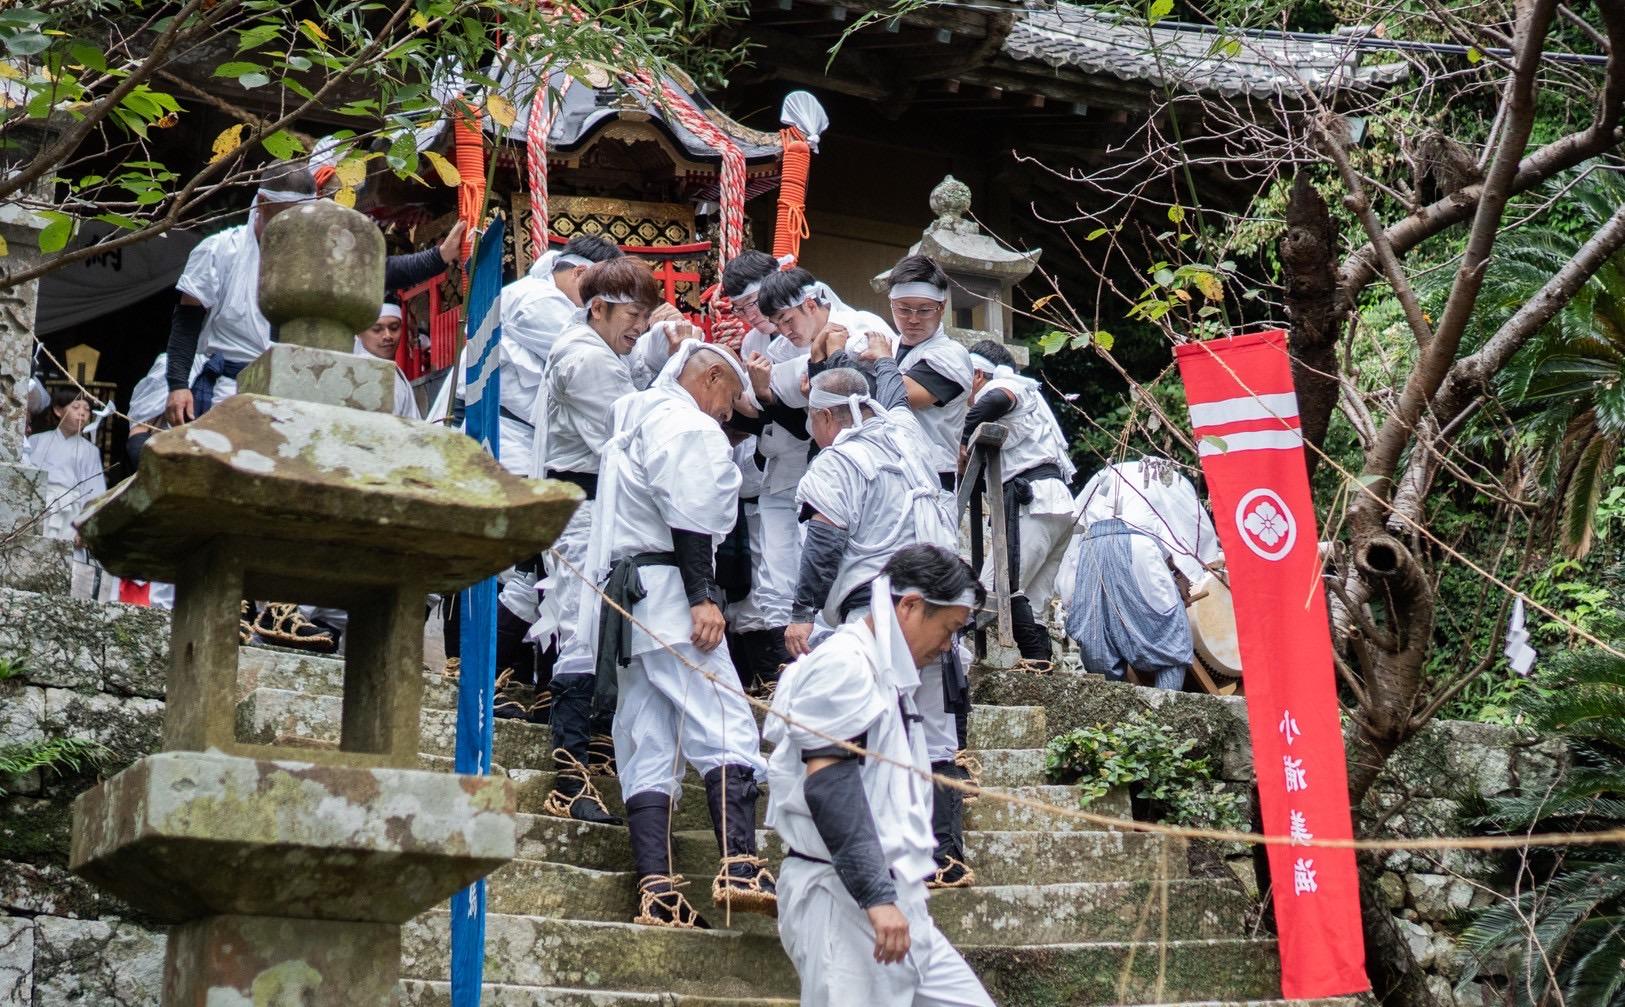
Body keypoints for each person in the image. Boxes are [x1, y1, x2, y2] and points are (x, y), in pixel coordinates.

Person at [581, 339, 774, 927]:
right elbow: (689, 515)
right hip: (668, 595)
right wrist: (703, 596)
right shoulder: (682, 424)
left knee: (648, 736)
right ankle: (739, 863)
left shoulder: (638, 422)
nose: (728, 411)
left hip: (628, 602)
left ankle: (658, 890)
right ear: (711, 375)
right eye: (730, 396)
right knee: (724, 719)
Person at [766, 544, 994, 1007]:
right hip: (841, 896)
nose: (949, 645)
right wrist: (876, 897)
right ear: (909, 606)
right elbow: (830, 784)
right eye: (949, 629)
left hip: (896, 896)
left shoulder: (886, 671)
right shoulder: (844, 665)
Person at [786, 362, 974, 889]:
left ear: (825, 416)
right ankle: (947, 853)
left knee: (876, 724)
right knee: (934, 730)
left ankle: (889, 851)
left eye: (811, 420)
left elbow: (824, 541)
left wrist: (802, 613)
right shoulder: (908, 438)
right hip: (936, 602)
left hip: (879, 609)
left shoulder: (839, 460)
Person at [527, 257, 662, 825]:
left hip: (595, 509)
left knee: (597, 630)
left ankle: (592, 755)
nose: (639, 327)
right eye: (633, 315)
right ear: (599, 308)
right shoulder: (585, 360)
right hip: (579, 510)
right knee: (581, 634)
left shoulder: (599, 351)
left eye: (645, 317)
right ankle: (569, 775)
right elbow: (628, 432)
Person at [163, 165, 318, 426]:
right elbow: (186, 323)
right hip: (228, 389)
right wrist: (177, 385)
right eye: (289, 215)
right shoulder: (219, 250)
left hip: (290, 392)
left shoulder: (311, 260)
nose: (296, 225)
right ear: (263, 203)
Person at [961, 340, 1076, 667]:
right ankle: (1040, 670)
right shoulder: (1033, 399)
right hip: (1056, 504)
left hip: (1033, 501)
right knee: (1032, 600)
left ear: (978, 374)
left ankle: (1026, 661)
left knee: (999, 587)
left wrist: (962, 442)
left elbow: (998, 398)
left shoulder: (1001, 384)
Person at [1061, 457, 1217, 691]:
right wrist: (1183, 573)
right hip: (1137, 545)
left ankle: (1114, 708)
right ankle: (1166, 706)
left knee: (1098, 637)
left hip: (1089, 549)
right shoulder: (1162, 476)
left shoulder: (1104, 475)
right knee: (1171, 635)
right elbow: (1188, 531)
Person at [490, 234, 624, 478]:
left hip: (516, 437)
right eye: (601, 296)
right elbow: (590, 357)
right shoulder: (537, 300)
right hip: (502, 436)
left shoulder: (548, 296)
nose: (600, 308)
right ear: (580, 273)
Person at [882, 255, 974, 492]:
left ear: (941, 307)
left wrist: (877, 361)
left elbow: (899, 395)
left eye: (924, 310)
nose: (912, 319)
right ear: (891, 303)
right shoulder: (888, 346)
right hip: (885, 469)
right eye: (903, 309)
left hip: (930, 475)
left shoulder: (950, 355)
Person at [26, 389, 107, 542]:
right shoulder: (35, 441)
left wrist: (85, 527)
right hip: (37, 509)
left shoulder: (91, 451)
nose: (82, 413)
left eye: (87, 409)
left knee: (68, 560)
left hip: (71, 514)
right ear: (58, 410)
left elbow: (94, 491)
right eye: (76, 407)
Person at [354, 302, 423, 420]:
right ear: (360, 333)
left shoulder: (388, 369)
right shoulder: (370, 370)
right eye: (377, 329)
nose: (388, 336)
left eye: (394, 328)